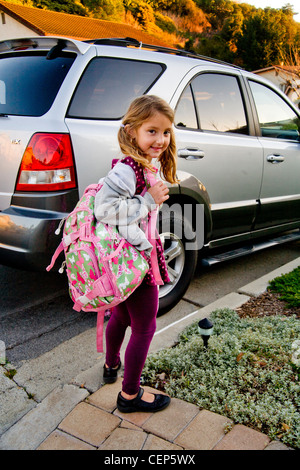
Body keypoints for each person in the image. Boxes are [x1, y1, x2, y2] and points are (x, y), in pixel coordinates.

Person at [94, 95, 178, 413]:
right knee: (145, 327)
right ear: (132, 132)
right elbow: (105, 209)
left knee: (121, 316)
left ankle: (111, 365)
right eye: (152, 131)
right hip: (133, 260)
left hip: (123, 256)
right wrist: (148, 201)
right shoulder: (129, 170)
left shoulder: (139, 165)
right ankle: (129, 395)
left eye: (166, 132)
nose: (160, 139)